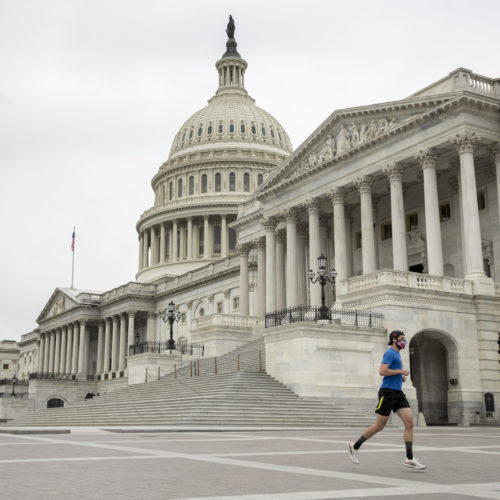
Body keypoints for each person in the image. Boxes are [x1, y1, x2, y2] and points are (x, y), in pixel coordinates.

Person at [347, 330, 426, 470]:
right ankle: (355, 446)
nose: (404, 342)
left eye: (404, 339)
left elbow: (391, 371)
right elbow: (382, 371)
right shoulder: (390, 353)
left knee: (410, 423)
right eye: (402, 339)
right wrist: (401, 372)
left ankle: (409, 458)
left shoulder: (397, 354)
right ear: (394, 340)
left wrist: (399, 377)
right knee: (379, 426)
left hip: (398, 393)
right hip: (387, 393)